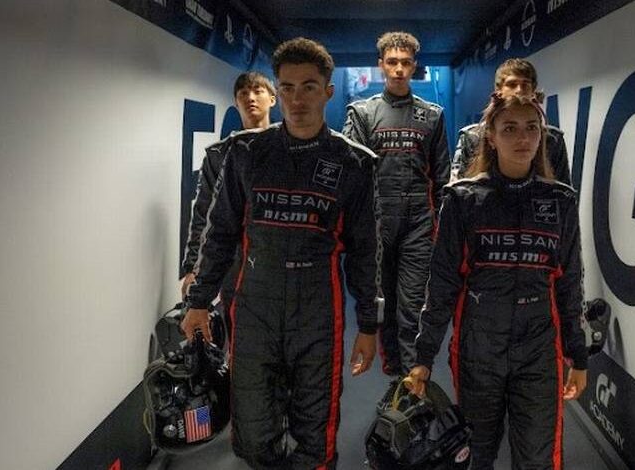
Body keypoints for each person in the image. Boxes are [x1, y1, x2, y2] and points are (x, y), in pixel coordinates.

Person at [183, 38, 380, 469]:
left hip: (318, 309)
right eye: (287, 87)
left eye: (309, 87)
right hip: (255, 303)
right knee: (252, 436)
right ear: (278, 90)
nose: (297, 99)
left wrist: (368, 324)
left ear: (328, 92)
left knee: (316, 434)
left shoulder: (353, 162)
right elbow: (220, 233)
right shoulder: (246, 152)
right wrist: (198, 300)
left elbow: (365, 252)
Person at [408, 93, 588, 469]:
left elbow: (569, 283)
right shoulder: (463, 200)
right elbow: (441, 285)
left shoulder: (560, 202)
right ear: (490, 136)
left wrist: (578, 354)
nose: (522, 137)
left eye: (531, 128)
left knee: (538, 459)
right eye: (510, 128)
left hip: (539, 348)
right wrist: (423, 356)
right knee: (475, 454)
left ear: (542, 135)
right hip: (478, 347)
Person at [343, 31, 450, 378]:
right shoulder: (362, 113)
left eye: (405, 62)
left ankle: (412, 382)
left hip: (418, 223)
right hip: (376, 222)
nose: (399, 69)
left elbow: (443, 179)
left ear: (415, 66)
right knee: (383, 305)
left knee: (412, 307)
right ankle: (396, 378)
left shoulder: (432, 115)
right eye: (392, 62)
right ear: (381, 65)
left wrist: (443, 231)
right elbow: (352, 176)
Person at [180, 71, 277, 300]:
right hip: (235, 261)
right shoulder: (218, 154)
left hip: (277, 258)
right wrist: (193, 267)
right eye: (243, 93)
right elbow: (203, 212)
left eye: (258, 91)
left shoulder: (289, 148)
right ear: (236, 102)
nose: (250, 98)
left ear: (272, 99)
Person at [453, 58, 571, 185]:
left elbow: (563, 187)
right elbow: (460, 186)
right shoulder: (472, 136)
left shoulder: (553, 139)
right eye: (512, 84)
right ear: (498, 91)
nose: (519, 90)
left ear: (533, 91)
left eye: (525, 84)